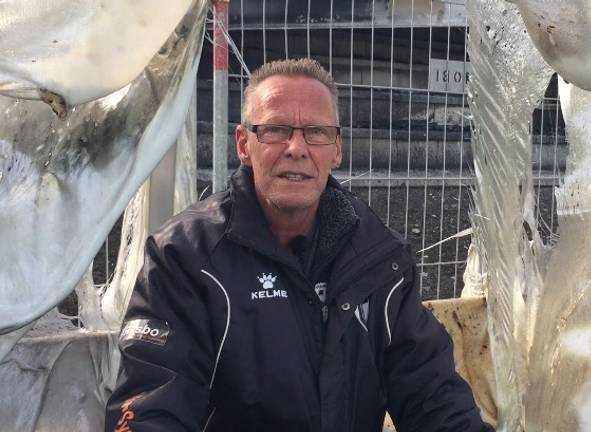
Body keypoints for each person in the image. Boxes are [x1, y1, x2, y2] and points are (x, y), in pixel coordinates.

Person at [105, 58, 492, 432]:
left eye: (316, 132)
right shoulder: (186, 258)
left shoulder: (380, 259)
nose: (296, 147)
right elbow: (149, 407)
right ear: (244, 144)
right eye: (275, 129)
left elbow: (433, 396)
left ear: (336, 149)